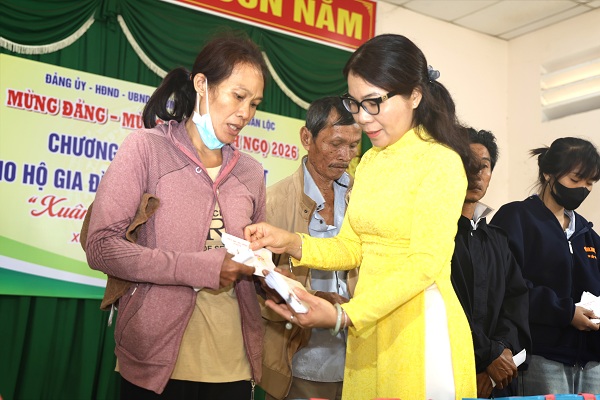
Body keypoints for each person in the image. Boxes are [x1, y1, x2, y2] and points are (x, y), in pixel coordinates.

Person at [245, 33, 478, 400]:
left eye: (374, 103)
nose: (363, 118)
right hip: (368, 327)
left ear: (415, 95)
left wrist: (345, 315)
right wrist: (288, 241)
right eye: (355, 103)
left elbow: (424, 264)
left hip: (418, 327)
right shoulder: (369, 161)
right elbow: (352, 247)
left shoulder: (440, 162)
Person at [84, 33, 269, 399]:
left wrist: (274, 280)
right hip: (154, 362)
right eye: (238, 96)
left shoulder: (250, 172)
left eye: (255, 104)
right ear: (202, 84)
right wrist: (201, 267)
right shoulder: (146, 149)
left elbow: (254, 255)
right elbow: (101, 247)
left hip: (232, 364)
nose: (246, 113)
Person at [260, 96, 361, 400]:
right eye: (336, 143)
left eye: (354, 145)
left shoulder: (364, 199)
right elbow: (257, 284)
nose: (345, 155)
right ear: (307, 138)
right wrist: (314, 297)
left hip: (358, 367)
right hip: (296, 365)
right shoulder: (273, 202)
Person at [491, 137, 600, 395]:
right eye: (576, 179)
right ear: (548, 173)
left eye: (590, 183)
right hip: (541, 356)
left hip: (591, 362)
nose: (583, 189)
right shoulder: (516, 218)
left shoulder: (587, 234)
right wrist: (565, 313)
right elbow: (509, 287)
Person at [450, 128, 531, 398]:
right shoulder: (435, 233)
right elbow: (441, 304)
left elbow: (515, 303)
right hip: (445, 369)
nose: (477, 174)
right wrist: (487, 355)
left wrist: (501, 353)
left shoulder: (496, 239)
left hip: (497, 377)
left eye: (484, 166)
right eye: (467, 164)